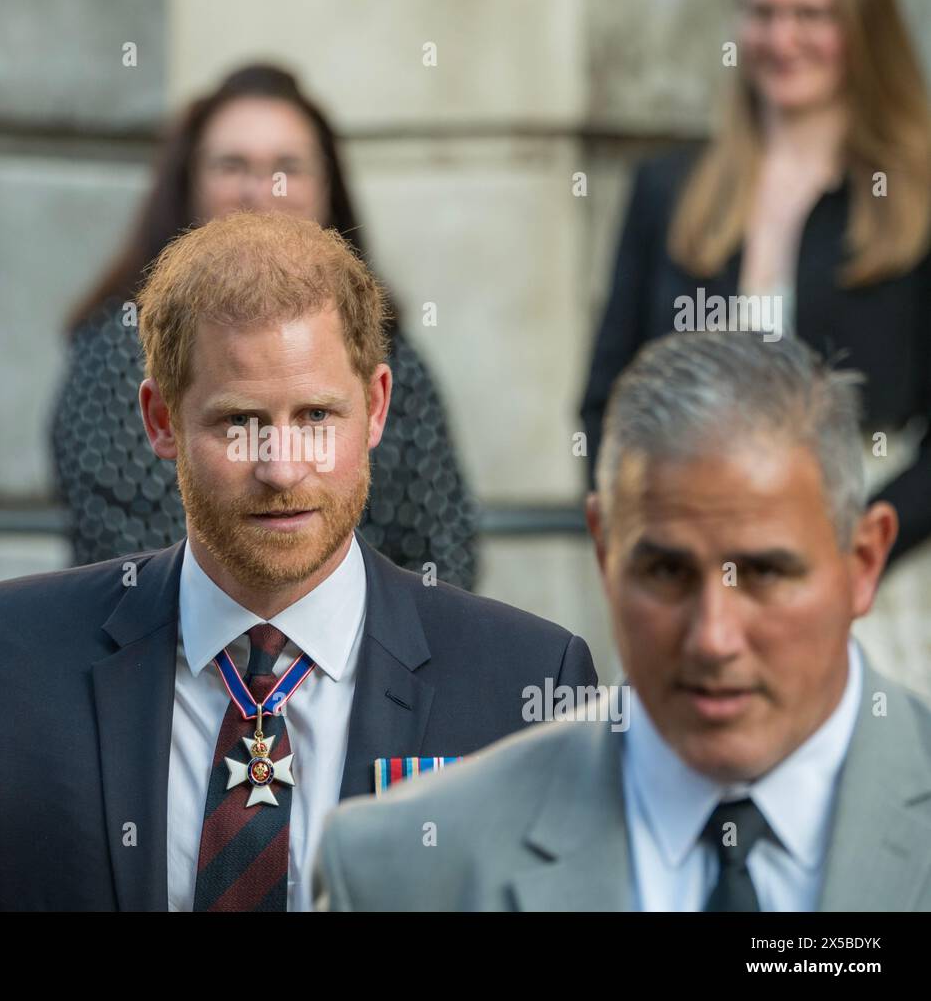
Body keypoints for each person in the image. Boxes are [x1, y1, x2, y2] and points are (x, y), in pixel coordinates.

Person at [0, 212, 596, 912]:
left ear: (377, 407)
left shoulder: (526, 685)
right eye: (240, 421)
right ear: (161, 420)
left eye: (316, 417)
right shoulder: (7, 658)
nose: (281, 467)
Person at [316, 332, 931, 912]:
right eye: (666, 572)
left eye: (766, 574)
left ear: (864, 563)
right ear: (605, 551)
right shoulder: (404, 868)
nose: (713, 637)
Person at [578, 0, 931, 700]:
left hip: (877, 562)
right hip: (692, 553)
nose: (783, 37)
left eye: (812, 15)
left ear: (863, 30)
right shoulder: (669, 188)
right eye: (764, 13)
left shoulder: (917, 192)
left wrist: (850, 542)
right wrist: (642, 537)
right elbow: (606, 399)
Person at [51, 63, 478, 589]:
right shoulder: (118, 352)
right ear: (189, 184)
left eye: (288, 167)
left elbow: (445, 546)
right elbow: (126, 557)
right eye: (232, 166)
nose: (262, 190)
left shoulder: (388, 348)